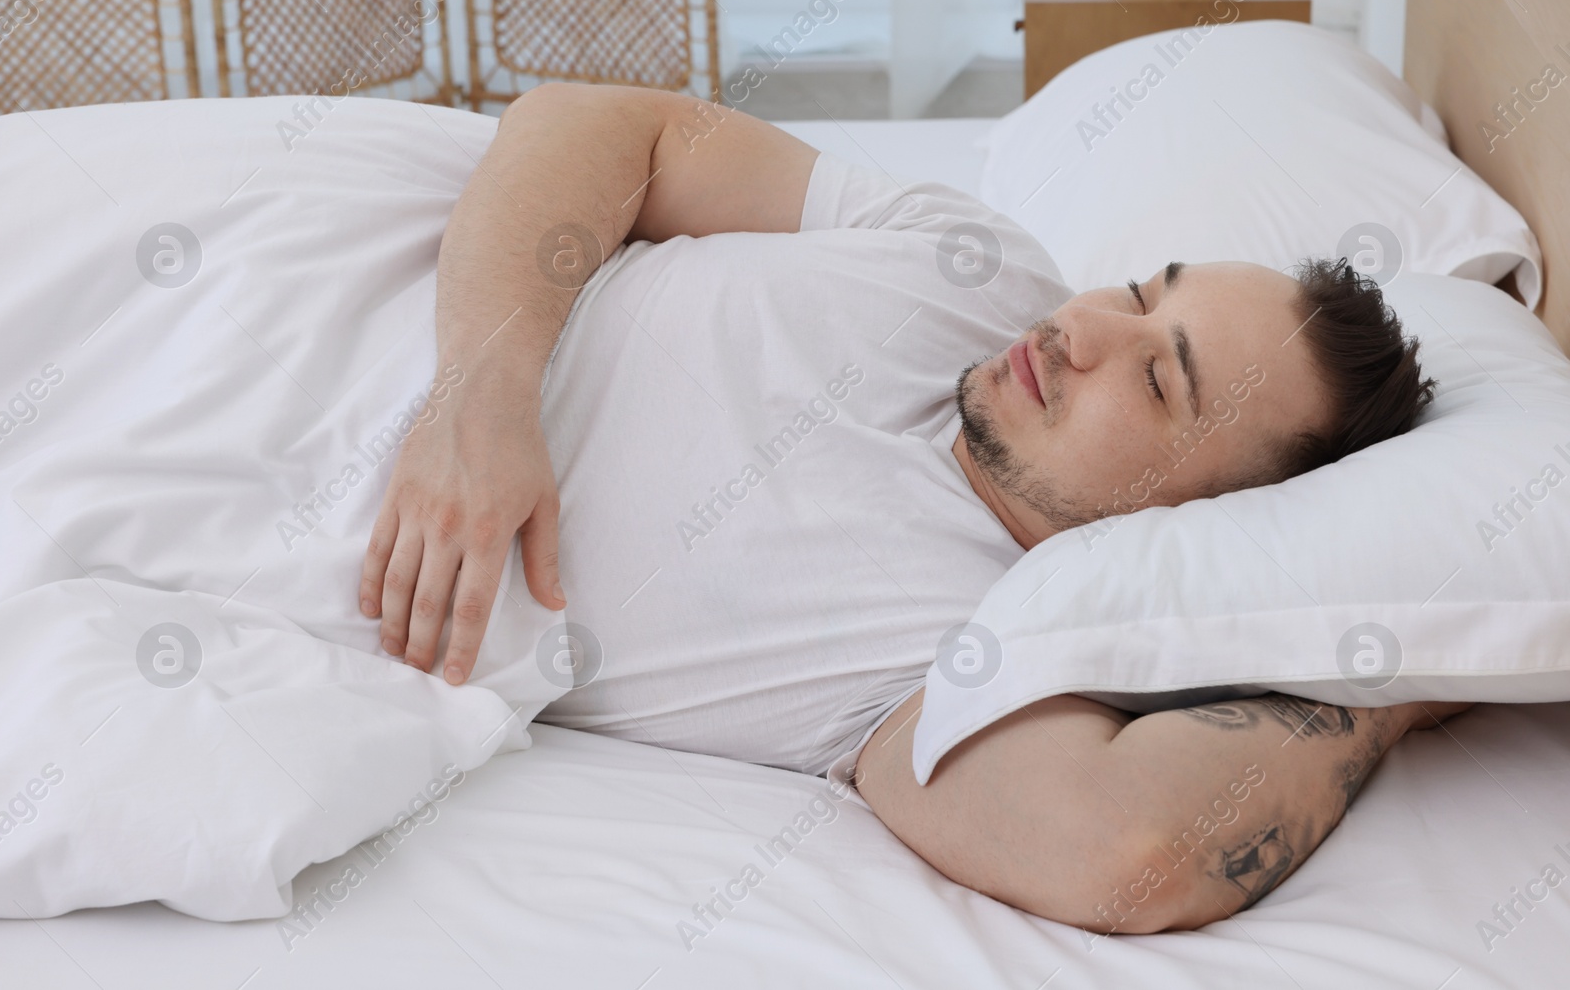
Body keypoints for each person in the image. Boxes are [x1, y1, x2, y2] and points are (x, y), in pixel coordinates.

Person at [354, 82, 1471, 934]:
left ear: (1195, 523)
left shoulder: (962, 654)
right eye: (1137, 292)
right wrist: (480, 394)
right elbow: (588, 121)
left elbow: (1129, 850)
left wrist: (1388, 685)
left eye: (1155, 378)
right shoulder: (973, 270)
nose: (1081, 329)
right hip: (306, 249)